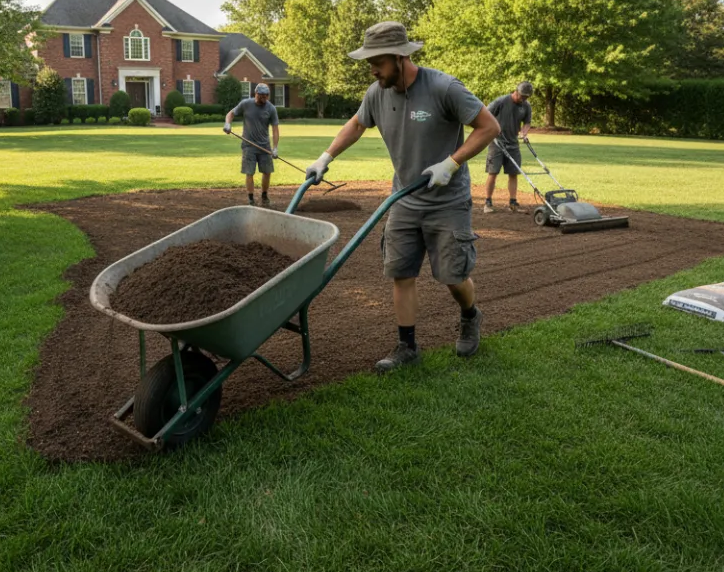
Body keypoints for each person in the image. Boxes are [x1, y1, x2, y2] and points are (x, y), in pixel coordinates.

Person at [304, 22, 501, 373]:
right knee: (401, 272)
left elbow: (489, 127)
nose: (372, 70)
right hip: (405, 200)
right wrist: (325, 157)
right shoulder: (377, 92)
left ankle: (471, 315)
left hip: (447, 202)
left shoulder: (444, 87)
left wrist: (452, 163)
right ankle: (407, 346)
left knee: (453, 277)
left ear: (399, 56)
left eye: (377, 62)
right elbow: (357, 124)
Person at [224, 83, 280, 207]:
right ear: (256, 94)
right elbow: (231, 114)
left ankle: (264, 196)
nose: (265, 98)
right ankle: (251, 199)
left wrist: (275, 147)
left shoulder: (271, 108)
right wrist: (228, 124)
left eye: (266, 96)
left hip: (264, 146)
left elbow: (275, 129)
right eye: (262, 96)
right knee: (249, 172)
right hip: (248, 146)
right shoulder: (246, 104)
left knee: (267, 172)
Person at [483, 81, 534, 214]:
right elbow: (485, 115)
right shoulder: (501, 101)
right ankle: (487, 202)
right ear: (516, 91)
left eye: (526, 97)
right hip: (496, 143)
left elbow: (527, 122)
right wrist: (494, 129)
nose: (523, 99)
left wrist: (524, 132)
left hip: (513, 144)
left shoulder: (526, 106)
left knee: (514, 173)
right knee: (493, 172)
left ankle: (513, 202)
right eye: (522, 96)